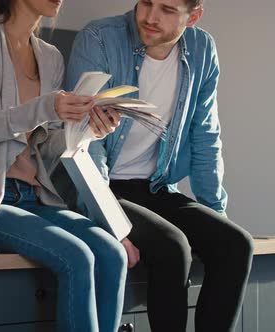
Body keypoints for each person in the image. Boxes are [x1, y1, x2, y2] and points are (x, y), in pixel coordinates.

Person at [0, 1, 130, 331]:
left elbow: (46, 146)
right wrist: (46, 106)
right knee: (77, 258)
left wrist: (90, 130)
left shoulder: (50, 56)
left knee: (112, 255)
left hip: (34, 198)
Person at [64, 0, 254, 331]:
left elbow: (205, 134)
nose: (150, 17)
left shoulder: (201, 49)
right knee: (172, 247)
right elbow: (82, 139)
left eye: (167, 9)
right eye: (146, 3)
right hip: (103, 188)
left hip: (156, 187)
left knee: (236, 244)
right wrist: (109, 220)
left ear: (192, 17)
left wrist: (213, 213)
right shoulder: (99, 38)